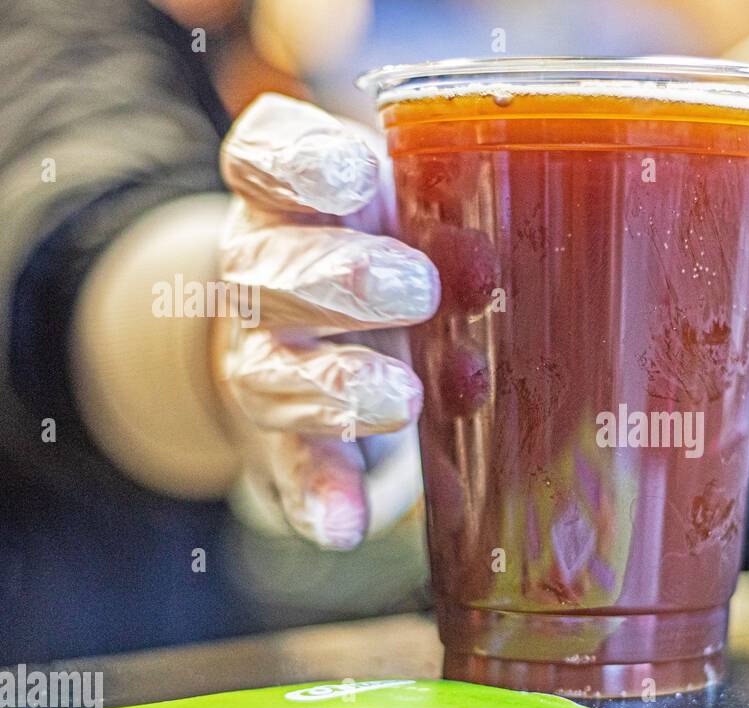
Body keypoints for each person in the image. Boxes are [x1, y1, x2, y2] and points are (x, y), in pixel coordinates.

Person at [0, 0, 439, 654]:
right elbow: (70, 249)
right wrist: (229, 325)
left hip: (193, 682)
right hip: (57, 699)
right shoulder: (54, 23)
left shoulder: (248, 46)